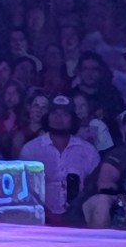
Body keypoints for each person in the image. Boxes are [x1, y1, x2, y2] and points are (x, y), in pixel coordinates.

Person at [19, 96, 98, 224]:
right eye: (54, 113)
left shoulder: (89, 151)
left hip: (79, 220)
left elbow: (94, 189)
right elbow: (24, 191)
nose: (58, 118)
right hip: (39, 220)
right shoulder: (30, 150)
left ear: (73, 119)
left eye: (65, 114)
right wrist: (49, 215)